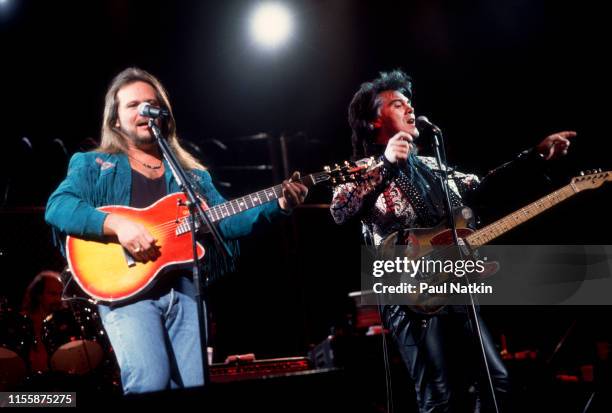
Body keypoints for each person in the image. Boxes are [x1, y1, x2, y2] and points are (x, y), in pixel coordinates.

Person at [45, 67, 308, 394]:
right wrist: (117, 225)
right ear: (115, 120)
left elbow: (224, 221)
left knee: (194, 386)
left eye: (151, 103)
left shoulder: (192, 176)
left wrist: (279, 203)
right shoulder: (92, 165)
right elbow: (58, 206)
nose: (144, 110)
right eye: (132, 105)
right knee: (151, 384)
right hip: (125, 291)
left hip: (185, 290)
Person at [330, 69, 576, 412]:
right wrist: (385, 165)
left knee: (496, 383)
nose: (409, 109)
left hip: (455, 285)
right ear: (374, 121)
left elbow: (485, 187)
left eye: (410, 103)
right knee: (440, 397)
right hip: (407, 295)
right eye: (398, 104)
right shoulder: (360, 170)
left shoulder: (434, 166)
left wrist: (534, 156)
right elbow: (341, 210)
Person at [21, 270, 64, 373]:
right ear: (38, 295)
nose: (58, 299)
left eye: (61, 294)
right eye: (53, 294)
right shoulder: (21, 323)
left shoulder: (61, 325)